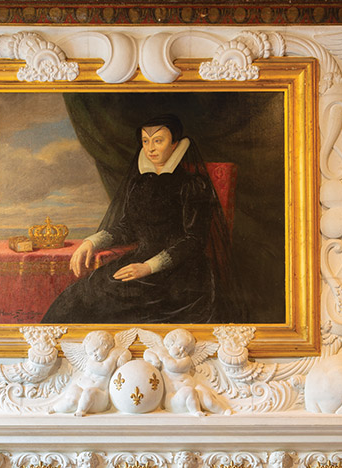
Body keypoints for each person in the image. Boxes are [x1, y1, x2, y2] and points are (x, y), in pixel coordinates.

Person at [42, 114, 238, 325]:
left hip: (180, 274)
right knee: (79, 297)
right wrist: (91, 242)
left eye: (158, 140)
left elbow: (194, 240)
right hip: (139, 260)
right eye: (145, 141)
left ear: (175, 144)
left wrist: (148, 267)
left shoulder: (192, 185)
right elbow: (127, 228)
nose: (150, 148)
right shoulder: (139, 184)